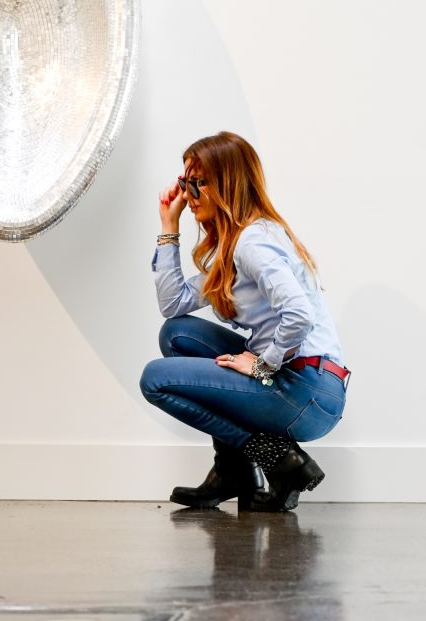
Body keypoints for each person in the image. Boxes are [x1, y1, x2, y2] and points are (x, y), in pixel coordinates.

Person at [139, 131, 350, 512]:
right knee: (177, 334)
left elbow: (299, 314)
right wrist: (169, 226)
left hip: (306, 390)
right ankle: (235, 472)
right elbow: (173, 304)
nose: (189, 194)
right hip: (301, 381)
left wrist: (262, 364)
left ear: (228, 184)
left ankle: (277, 457)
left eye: (199, 183)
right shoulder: (236, 243)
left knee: (155, 379)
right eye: (186, 183)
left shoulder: (253, 243)